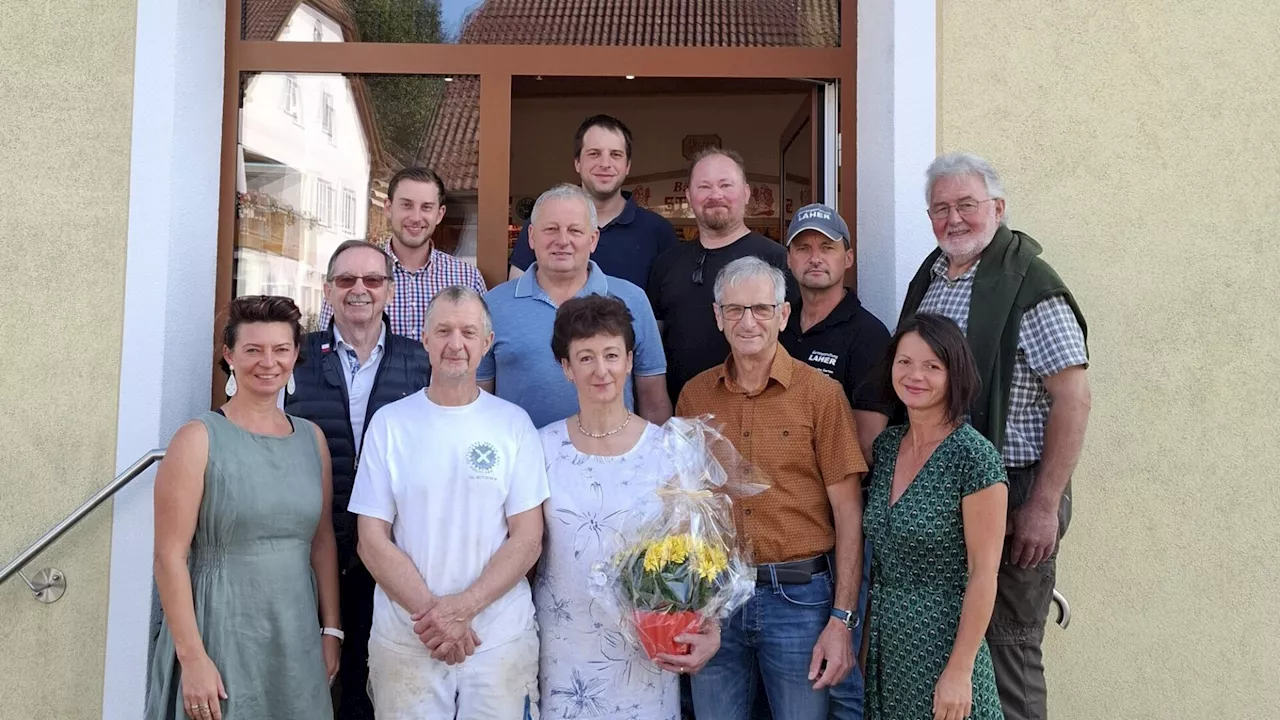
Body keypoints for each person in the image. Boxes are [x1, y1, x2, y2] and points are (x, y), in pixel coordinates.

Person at [855, 153, 1090, 720]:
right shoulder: (933, 276)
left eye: (967, 205)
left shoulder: (1030, 284)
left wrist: (1045, 502)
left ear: (998, 208)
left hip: (1011, 491)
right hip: (940, 489)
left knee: (1006, 649)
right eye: (940, 208)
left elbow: (1073, 398)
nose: (953, 219)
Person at [675, 257, 866, 720]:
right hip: (716, 599)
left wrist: (842, 620)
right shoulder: (694, 396)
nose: (748, 321)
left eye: (761, 309)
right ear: (718, 317)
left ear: (783, 315)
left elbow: (848, 515)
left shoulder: (821, 395)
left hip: (800, 601)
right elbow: (683, 506)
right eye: (735, 310)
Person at [349, 285, 549, 718]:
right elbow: (371, 540)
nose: (455, 344)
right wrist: (436, 618)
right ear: (424, 338)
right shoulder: (390, 425)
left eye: (468, 332)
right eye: (443, 331)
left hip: (498, 639)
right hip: (408, 637)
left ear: (487, 343)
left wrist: (464, 609)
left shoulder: (513, 425)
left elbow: (528, 537)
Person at [147, 295, 340, 720]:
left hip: (295, 629)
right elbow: (169, 557)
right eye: (253, 349)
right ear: (229, 356)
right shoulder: (198, 438)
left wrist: (331, 629)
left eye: (281, 349)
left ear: (294, 357)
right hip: (220, 626)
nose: (268, 362)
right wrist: (192, 658)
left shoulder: (313, 441)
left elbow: (322, 542)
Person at [535, 294, 722, 720]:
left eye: (611, 355)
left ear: (630, 359)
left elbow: (697, 557)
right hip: (562, 648)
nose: (600, 370)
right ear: (566, 367)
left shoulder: (669, 450)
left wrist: (712, 629)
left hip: (647, 652)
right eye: (585, 357)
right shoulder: (539, 448)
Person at [285, 239, 431, 719]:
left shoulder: (421, 360)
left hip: (393, 549)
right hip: (308, 546)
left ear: (389, 290)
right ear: (328, 290)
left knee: (379, 683)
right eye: (346, 280)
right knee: (311, 679)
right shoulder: (294, 359)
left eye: (372, 280)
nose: (359, 290)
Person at [862, 313, 1007, 720]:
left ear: (954, 374)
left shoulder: (974, 458)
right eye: (904, 362)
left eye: (932, 366)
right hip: (889, 650)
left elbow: (984, 574)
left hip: (944, 646)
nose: (915, 375)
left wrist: (959, 672)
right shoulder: (888, 447)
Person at [779, 204, 890, 720]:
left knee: (842, 672)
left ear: (848, 257)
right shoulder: (776, 324)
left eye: (827, 247)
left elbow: (866, 446)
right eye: (803, 246)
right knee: (794, 669)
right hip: (787, 533)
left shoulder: (867, 336)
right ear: (789, 258)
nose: (815, 257)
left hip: (843, 526)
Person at [480, 183, 671, 429]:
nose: (562, 240)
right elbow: (478, 400)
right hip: (521, 462)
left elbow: (653, 400)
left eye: (575, 231)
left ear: (593, 240)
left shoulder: (633, 300)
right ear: (531, 237)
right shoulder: (493, 306)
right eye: (551, 229)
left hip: (611, 462)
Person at [648, 147, 799, 405]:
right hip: (684, 415)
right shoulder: (666, 263)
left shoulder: (777, 260)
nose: (715, 195)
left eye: (725, 185)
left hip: (760, 411)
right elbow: (652, 350)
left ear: (746, 193)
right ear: (688, 196)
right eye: (704, 187)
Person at [509, 114, 679, 287]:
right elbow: (517, 297)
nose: (605, 163)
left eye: (615, 154)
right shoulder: (544, 224)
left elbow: (669, 305)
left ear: (627, 166)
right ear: (577, 163)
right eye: (594, 154)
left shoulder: (658, 232)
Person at [319, 167, 487, 340]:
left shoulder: (467, 278)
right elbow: (327, 347)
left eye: (426, 207)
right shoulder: (350, 276)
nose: (416, 217)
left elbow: (481, 350)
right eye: (407, 205)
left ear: (439, 214)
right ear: (388, 208)